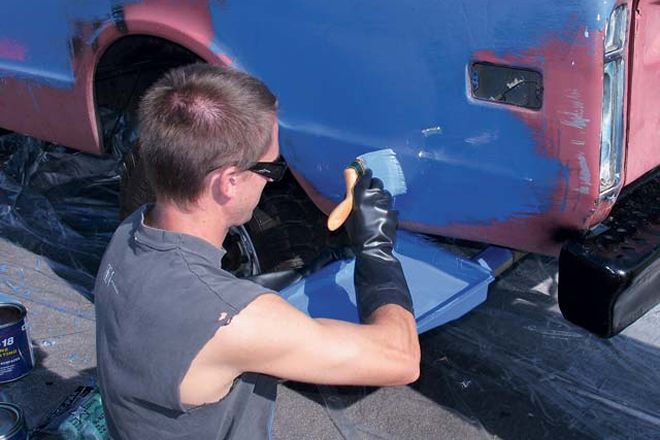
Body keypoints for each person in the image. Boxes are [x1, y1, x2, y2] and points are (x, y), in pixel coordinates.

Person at [94, 63, 419, 439]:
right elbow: (400, 358)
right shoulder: (235, 319)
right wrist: (375, 249)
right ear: (228, 182)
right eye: (271, 169)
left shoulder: (131, 231)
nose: (270, 181)